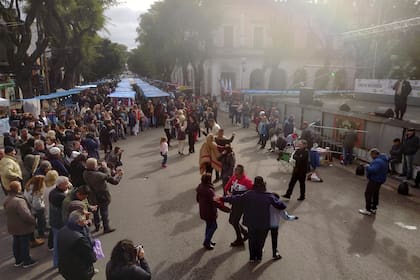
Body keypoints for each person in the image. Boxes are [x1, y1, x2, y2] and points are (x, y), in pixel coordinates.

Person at [220, 176, 287, 263]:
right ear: (264, 185)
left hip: (251, 222)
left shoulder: (249, 194)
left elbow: (236, 199)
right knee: (261, 241)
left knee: (252, 240)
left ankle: (252, 257)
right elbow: (281, 206)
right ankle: (258, 257)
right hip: (263, 224)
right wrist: (276, 200)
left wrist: (222, 198)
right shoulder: (269, 196)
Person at [3, 181, 38, 268]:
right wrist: (34, 221)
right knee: (24, 244)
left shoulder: (7, 199)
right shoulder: (19, 201)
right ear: (18, 188)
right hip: (22, 226)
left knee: (16, 243)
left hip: (12, 225)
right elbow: (26, 215)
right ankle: (27, 261)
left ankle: (18, 260)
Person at [83, 158, 123, 234]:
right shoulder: (99, 175)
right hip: (102, 195)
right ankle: (106, 227)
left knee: (95, 212)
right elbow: (113, 181)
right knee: (104, 211)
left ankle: (97, 226)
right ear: (94, 166)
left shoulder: (85, 173)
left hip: (92, 195)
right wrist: (106, 168)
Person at [57, 210, 97, 280]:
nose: (86, 222)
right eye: (84, 220)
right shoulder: (79, 239)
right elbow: (91, 258)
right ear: (78, 222)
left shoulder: (62, 231)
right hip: (79, 272)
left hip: (65, 268)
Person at [196, 174, 230, 250]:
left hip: (203, 211)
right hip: (210, 212)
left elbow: (197, 199)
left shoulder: (200, 187)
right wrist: (226, 209)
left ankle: (208, 241)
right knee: (214, 226)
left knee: (208, 226)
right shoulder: (209, 191)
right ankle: (206, 241)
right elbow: (216, 203)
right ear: (208, 180)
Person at [223, 164, 253, 246]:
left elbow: (253, 191)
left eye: (237, 174)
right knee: (232, 221)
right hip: (234, 202)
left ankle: (239, 239)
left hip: (241, 204)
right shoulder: (233, 177)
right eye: (235, 174)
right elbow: (226, 187)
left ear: (241, 173)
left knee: (234, 221)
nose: (235, 176)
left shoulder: (247, 181)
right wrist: (228, 194)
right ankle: (245, 233)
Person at [359, 148, 389, 216]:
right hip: (380, 180)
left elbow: (373, 170)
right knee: (375, 193)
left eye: (371, 155)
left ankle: (367, 209)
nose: (371, 157)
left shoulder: (378, 161)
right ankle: (373, 208)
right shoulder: (384, 160)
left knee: (368, 193)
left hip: (375, 180)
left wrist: (367, 167)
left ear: (374, 154)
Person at [49, 176, 71, 267]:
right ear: (60, 185)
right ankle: (58, 262)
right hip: (60, 222)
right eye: (66, 184)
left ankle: (57, 262)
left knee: (56, 242)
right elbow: (69, 205)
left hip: (55, 221)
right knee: (60, 244)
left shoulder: (53, 192)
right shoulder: (61, 196)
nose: (68, 185)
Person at [269, 193, 298, 260]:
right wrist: (294, 217)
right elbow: (286, 217)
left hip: (265, 224)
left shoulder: (267, 204)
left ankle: (260, 249)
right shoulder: (279, 206)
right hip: (274, 225)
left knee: (262, 238)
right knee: (274, 240)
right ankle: (275, 253)